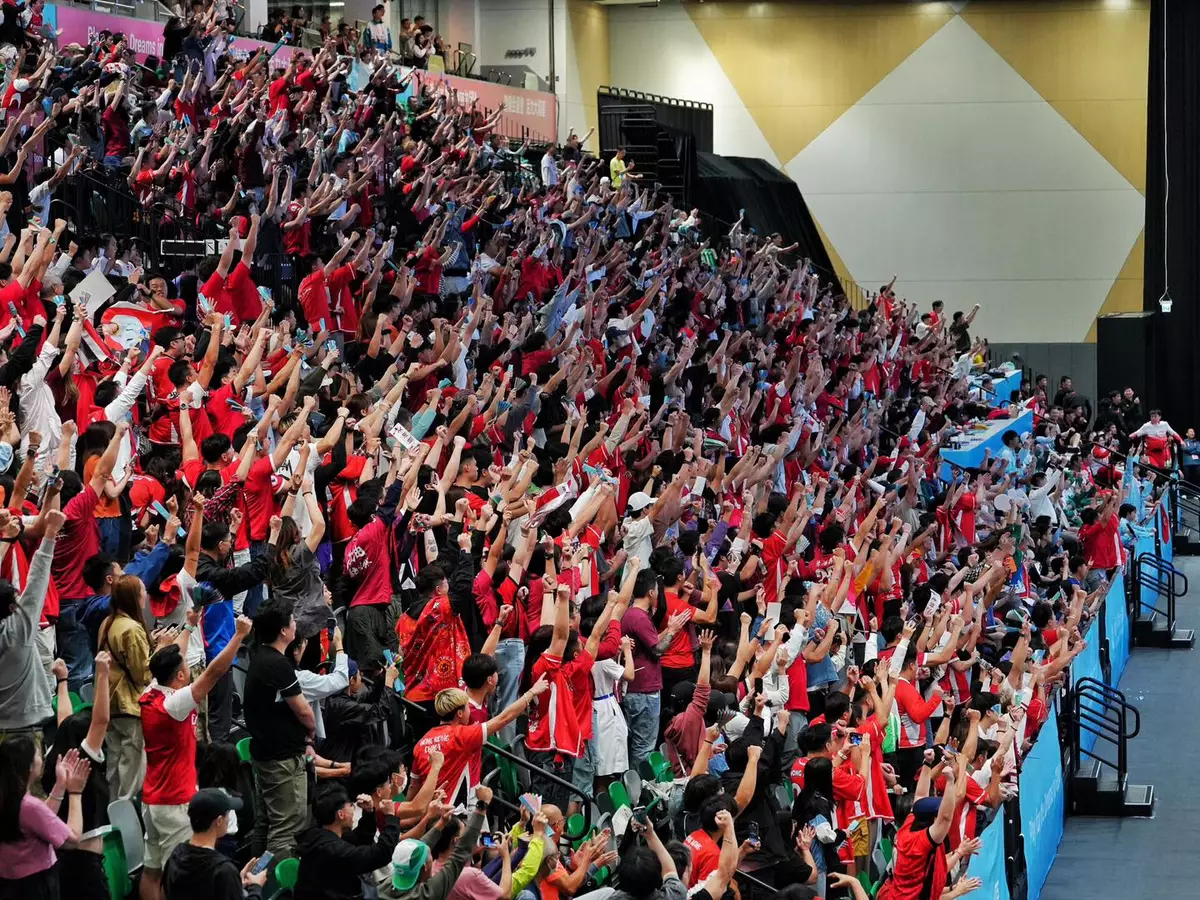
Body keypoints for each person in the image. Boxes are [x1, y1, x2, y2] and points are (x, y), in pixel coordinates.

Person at [139, 614, 253, 900]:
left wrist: (189, 625)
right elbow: (214, 672)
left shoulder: (151, 691)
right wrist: (238, 636)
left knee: (152, 872)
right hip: (174, 801)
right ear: (180, 676)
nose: (189, 670)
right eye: (185, 668)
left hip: (152, 797)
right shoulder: (174, 704)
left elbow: (168, 658)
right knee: (175, 876)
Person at [244, 599, 315, 860]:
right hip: (281, 758)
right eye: (292, 620)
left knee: (266, 823)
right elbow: (304, 711)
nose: (295, 623)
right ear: (283, 630)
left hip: (266, 752)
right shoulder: (277, 664)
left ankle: (254, 874)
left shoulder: (260, 657)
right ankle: (273, 878)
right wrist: (311, 731)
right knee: (287, 827)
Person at [0, 736, 91, 900]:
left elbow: (40, 821)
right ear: (29, 767)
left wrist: (60, 784)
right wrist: (75, 792)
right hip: (36, 886)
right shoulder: (29, 806)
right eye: (38, 755)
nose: (41, 758)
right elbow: (72, 839)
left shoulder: (11, 800)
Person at [294, 782, 401, 900]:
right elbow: (381, 854)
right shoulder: (332, 850)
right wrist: (391, 816)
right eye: (351, 805)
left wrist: (369, 812)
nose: (354, 808)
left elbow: (360, 839)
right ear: (341, 814)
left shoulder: (321, 836)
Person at [162, 789, 268, 900]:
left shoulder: (175, 856)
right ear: (219, 821)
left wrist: (236, 882)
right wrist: (256, 887)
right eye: (228, 814)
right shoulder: (223, 870)